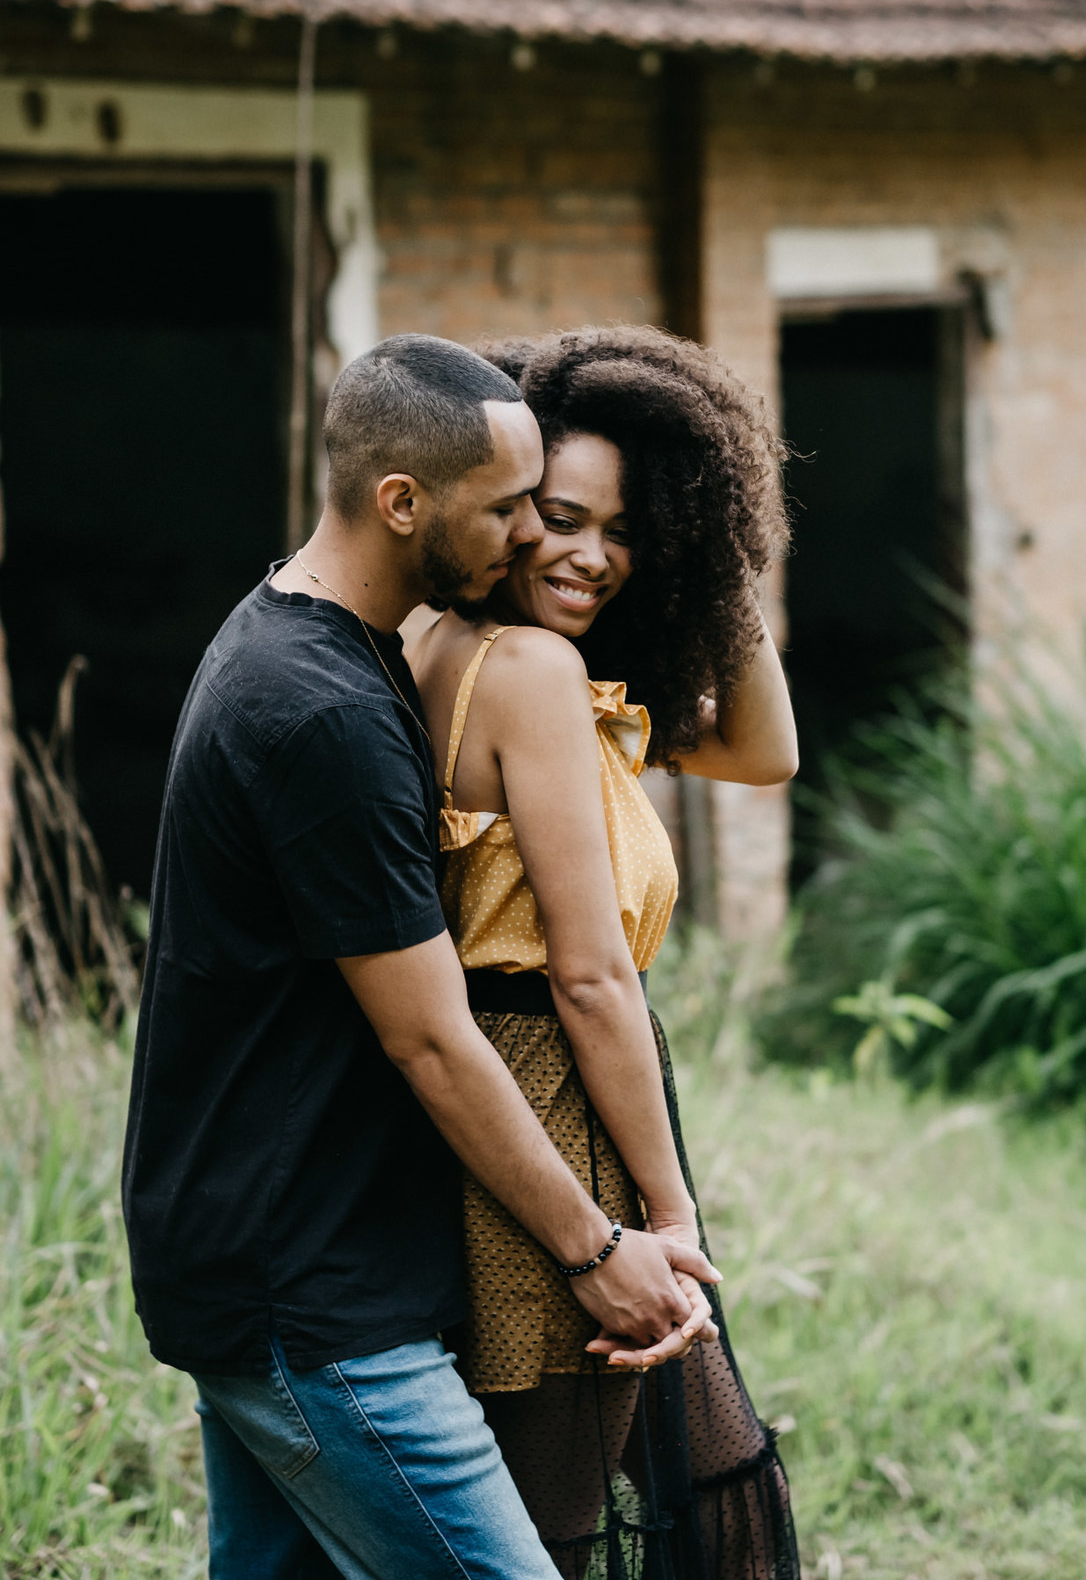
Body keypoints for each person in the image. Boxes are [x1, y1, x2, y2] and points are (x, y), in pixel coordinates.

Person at [121, 333, 720, 1580]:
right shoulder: (325, 711)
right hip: (310, 1297)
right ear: (403, 503)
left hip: (275, 1262)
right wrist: (600, 1253)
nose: (527, 539)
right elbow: (433, 1039)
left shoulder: (312, 642)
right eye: (508, 508)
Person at [404, 324, 802, 1579]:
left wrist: (708, 555)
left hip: (562, 1101)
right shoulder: (517, 673)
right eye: (560, 517)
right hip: (544, 1109)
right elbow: (586, 975)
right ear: (505, 509)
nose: (591, 557)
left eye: (628, 530)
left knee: (687, 1477)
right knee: (573, 1519)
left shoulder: (526, 672)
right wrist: (673, 1208)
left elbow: (762, 748)